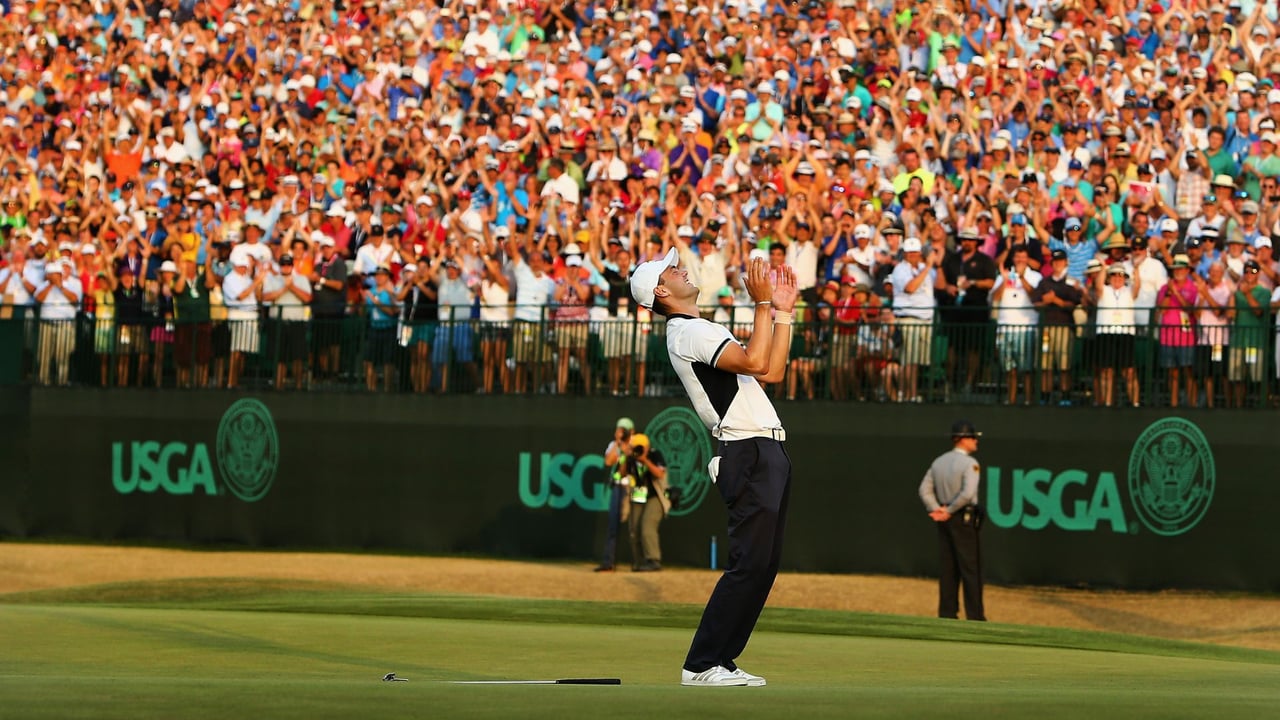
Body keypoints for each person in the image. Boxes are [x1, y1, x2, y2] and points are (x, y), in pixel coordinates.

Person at [631, 250, 797, 688]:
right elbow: (757, 362)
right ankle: (701, 663)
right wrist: (762, 304)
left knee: (763, 566)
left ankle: (722, 659)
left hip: (765, 448)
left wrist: (782, 313)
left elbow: (772, 370)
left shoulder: (698, 329)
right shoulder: (687, 331)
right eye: (672, 270)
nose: (682, 269)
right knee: (749, 564)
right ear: (662, 291)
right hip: (746, 451)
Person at [918, 419, 986, 623]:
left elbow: (924, 489)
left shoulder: (939, 462)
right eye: (972, 437)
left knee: (948, 568)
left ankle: (947, 613)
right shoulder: (970, 464)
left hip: (944, 519)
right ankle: (975, 616)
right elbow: (967, 494)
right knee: (971, 568)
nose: (976, 441)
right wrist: (950, 510)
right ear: (962, 439)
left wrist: (936, 508)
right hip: (962, 517)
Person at [622, 432, 669, 573]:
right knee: (634, 530)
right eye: (635, 447)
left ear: (647, 447)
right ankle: (639, 562)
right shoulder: (630, 458)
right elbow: (622, 474)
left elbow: (660, 474)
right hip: (637, 495)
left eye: (641, 448)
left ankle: (653, 560)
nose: (638, 450)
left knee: (647, 525)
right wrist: (626, 456)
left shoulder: (654, 455)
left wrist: (645, 461)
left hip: (655, 496)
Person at [596, 417, 637, 573]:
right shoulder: (614, 445)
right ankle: (608, 562)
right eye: (620, 429)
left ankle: (638, 563)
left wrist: (629, 448)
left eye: (624, 430)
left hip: (633, 489)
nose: (622, 432)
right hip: (618, 488)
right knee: (612, 526)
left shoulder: (637, 443)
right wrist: (619, 444)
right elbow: (609, 461)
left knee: (635, 527)